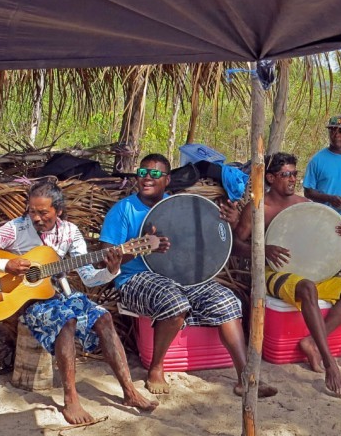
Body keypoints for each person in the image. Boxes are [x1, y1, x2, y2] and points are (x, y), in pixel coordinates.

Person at [0, 181, 158, 425]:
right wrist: (5, 265)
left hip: (61, 296)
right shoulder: (15, 229)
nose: (36, 217)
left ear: (59, 211)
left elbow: (88, 278)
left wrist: (112, 270)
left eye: (43, 212)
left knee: (103, 317)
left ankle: (129, 391)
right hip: (30, 303)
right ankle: (71, 399)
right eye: (32, 211)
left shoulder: (70, 232)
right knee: (66, 321)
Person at [100, 153, 277, 398]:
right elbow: (106, 258)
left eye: (154, 174)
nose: (147, 178)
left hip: (182, 277)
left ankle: (244, 376)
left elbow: (211, 241)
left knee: (226, 299)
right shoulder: (123, 211)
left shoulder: (179, 206)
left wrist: (232, 223)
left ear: (167, 179)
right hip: (135, 279)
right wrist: (138, 248)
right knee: (174, 300)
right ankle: (156, 368)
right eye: (142, 173)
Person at [228, 152, 341, 397]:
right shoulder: (259, 207)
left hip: (308, 272)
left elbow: (332, 240)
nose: (292, 179)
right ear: (270, 177)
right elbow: (235, 244)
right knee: (307, 288)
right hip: (273, 273)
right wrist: (262, 249)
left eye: (294, 174)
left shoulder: (304, 206)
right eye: (285, 175)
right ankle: (329, 361)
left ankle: (312, 342)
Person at [303, 115, 341, 224]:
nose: (336, 135)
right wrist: (329, 198)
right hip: (320, 221)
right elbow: (308, 192)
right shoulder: (317, 160)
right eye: (332, 131)